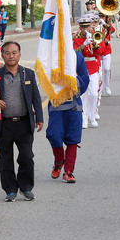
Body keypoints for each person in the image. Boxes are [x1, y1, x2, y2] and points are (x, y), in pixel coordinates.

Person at [0, 41, 44, 201]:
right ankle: (10, 190)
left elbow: (35, 96)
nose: (11, 56)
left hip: (24, 123)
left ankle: (26, 187)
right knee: (5, 159)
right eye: (7, 52)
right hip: (4, 124)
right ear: (2, 55)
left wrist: (39, 118)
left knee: (26, 157)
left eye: (14, 52)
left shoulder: (27, 73)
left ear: (19, 55)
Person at [46, 51, 89, 184]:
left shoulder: (77, 56)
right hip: (56, 104)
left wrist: (72, 82)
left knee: (73, 139)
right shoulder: (50, 56)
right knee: (54, 135)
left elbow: (85, 77)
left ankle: (68, 171)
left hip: (74, 104)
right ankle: (59, 160)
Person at [73, 16, 103, 128]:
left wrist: (94, 43)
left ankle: (92, 116)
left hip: (93, 67)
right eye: (82, 27)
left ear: (91, 26)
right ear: (80, 28)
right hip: (81, 68)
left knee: (94, 93)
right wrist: (84, 44)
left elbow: (101, 51)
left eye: (87, 26)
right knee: (83, 95)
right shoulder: (76, 38)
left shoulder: (96, 36)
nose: (85, 29)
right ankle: (84, 119)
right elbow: (75, 52)